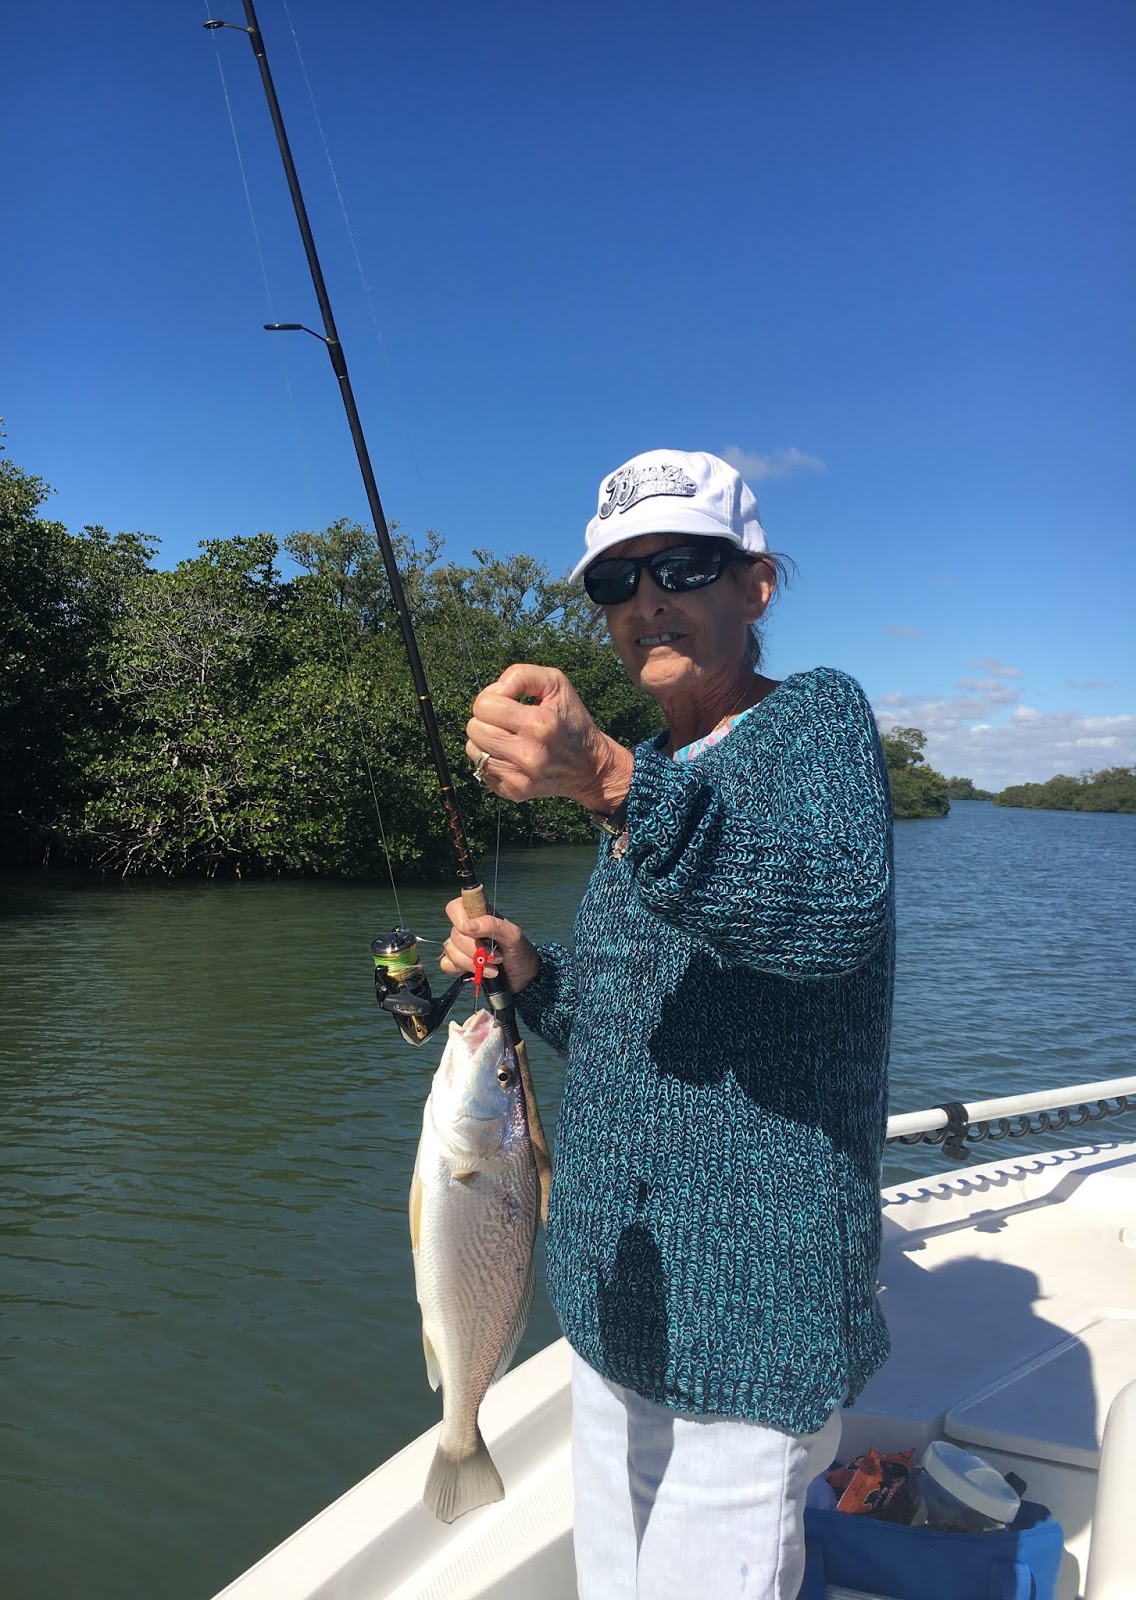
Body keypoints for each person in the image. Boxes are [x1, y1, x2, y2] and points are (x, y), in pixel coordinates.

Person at [440, 448, 894, 1600]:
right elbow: (618, 1026)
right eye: (616, 580)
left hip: (755, 1313)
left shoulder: (816, 719)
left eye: (681, 566)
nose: (646, 600)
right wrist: (530, 970)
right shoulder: (650, 771)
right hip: (613, 1294)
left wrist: (606, 781)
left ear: (756, 584)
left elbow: (832, 919)